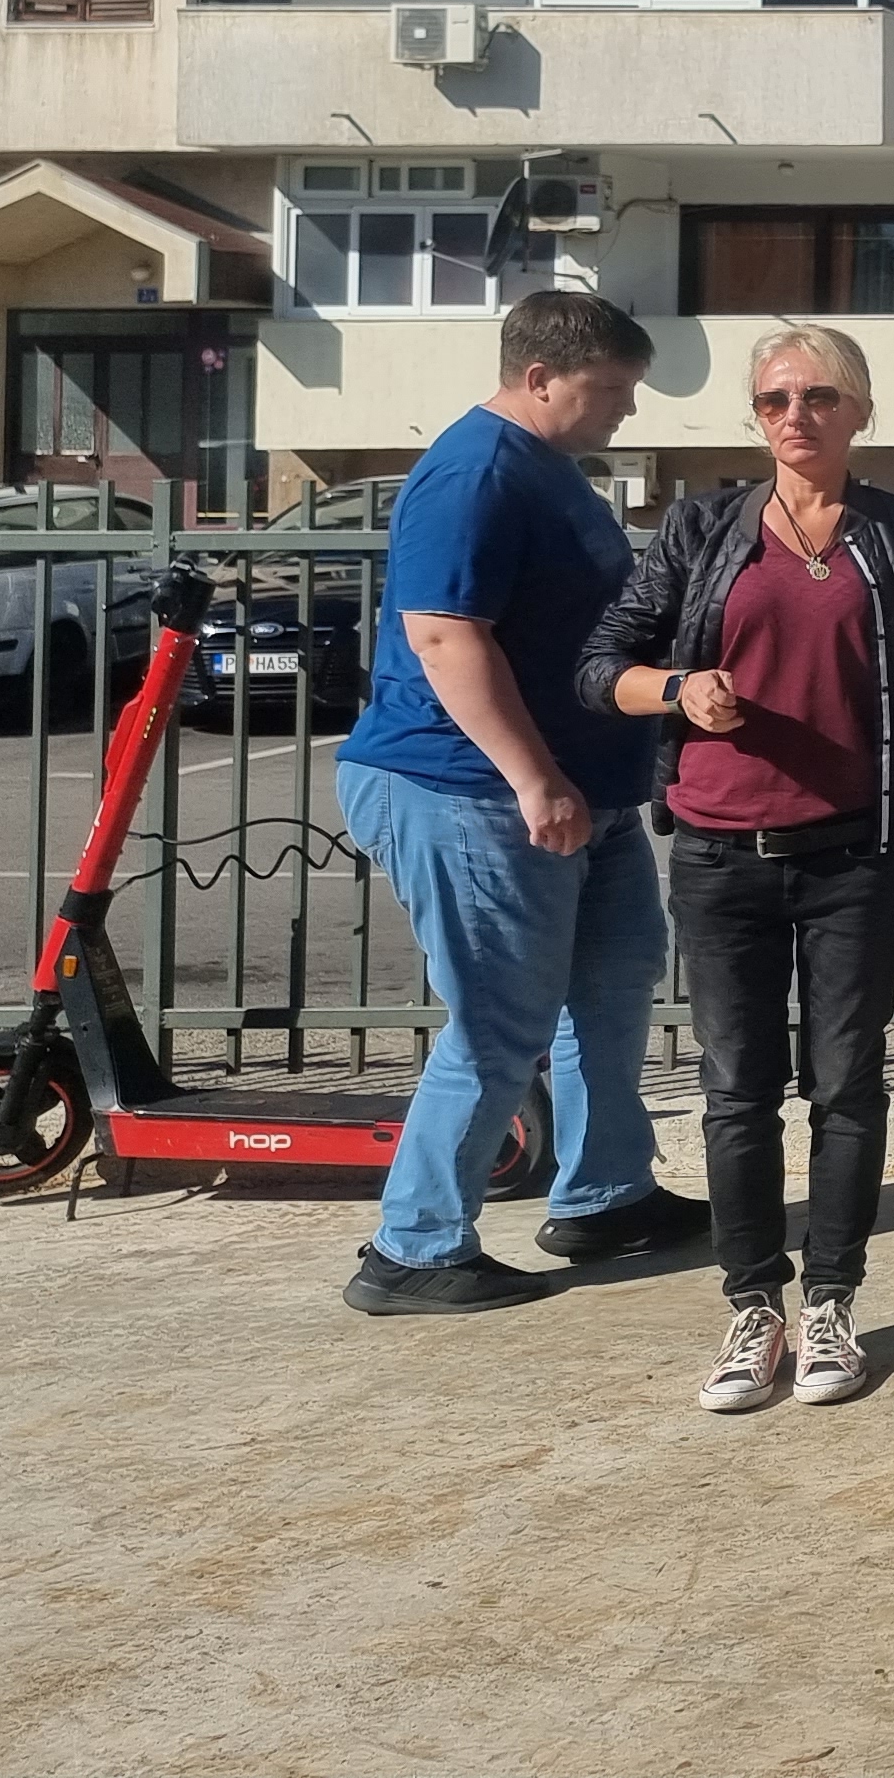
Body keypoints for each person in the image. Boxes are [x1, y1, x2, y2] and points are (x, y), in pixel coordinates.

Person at [579, 326, 894, 1413]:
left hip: (855, 856)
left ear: (861, 412)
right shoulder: (701, 527)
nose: (797, 415)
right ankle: (754, 1309)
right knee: (737, 1096)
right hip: (719, 852)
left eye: (820, 396)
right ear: (755, 415)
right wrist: (679, 690)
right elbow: (602, 664)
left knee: (846, 1088)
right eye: (776, 398)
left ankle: (831, 1302)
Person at [335, 290, 706, 1312]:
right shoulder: (475, 473)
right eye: (610, 391)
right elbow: (446, 636)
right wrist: (532, 777)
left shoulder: (548, 470)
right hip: (472, 792)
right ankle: (412, 1248)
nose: (625, 410)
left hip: (576, 795)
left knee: (615, 981)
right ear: (538, 378)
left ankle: (603, 1195)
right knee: (500, 1021)